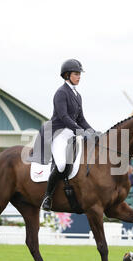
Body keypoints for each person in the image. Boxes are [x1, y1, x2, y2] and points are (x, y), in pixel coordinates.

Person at [40, 59, 98, 211]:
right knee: (61, 164)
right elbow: (64, 117)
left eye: (79, 74)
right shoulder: (61, 93)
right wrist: (81, 131)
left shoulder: (77, 95)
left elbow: (81, 119)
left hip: (72, 133)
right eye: (76, 74)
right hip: (59, 132)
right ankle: (48, 196)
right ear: (67, 75)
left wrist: (93, 131)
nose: (79, 77)